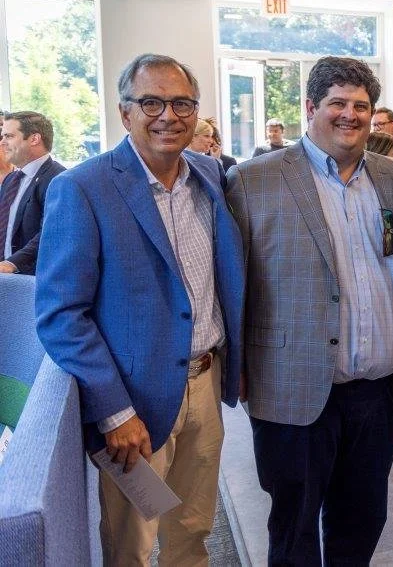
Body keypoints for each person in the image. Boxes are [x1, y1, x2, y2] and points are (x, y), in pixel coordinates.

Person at [35, 53, 244, 565]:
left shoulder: (208, 176)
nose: (167, 115)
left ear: (196, 112)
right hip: (134, 409)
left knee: (193, 527)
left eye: (181, 103)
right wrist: (114, 410)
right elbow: (62, 314)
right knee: (133, 542)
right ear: (124, 111)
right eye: (151, 102)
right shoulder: (82, 188)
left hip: (205, 388)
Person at [227, 56, 393, 565]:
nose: (350, 115)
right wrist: (238, 368)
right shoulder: (252, 181)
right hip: (290, 387)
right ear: (310, 107)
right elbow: (234, 285)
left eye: (361, 105)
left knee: (362, 522)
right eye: (338, 103)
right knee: (294, 529)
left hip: (376, 394)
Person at [0, 111, 65, 275]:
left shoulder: (59, 179)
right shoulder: (11, 179)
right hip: (7, 279)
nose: (2, 142)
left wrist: (12, 264)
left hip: (33, 281)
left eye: (9, 136)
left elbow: (51, 232)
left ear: (34, 139)